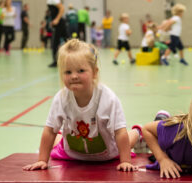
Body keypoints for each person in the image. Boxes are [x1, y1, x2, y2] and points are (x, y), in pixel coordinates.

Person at [23, 39, 139, 172]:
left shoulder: (108, 98)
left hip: (108, 154)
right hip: (72, 154)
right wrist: (42, 160)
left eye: (81, 71)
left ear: (94, 72)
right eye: (68, 72)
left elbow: (120, 132)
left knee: (126, 140)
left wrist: (125, 162)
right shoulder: (61, 98)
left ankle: (138, 132)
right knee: (58, 138)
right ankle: (62, 136)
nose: (74, 76)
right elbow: (50, 131)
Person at [47, 0, 67, 67]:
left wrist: (57, 19)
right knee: (67, 40)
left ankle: (55, 62)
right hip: (59, 23)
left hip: (59, 24)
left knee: (55, 42)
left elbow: (62, 8)